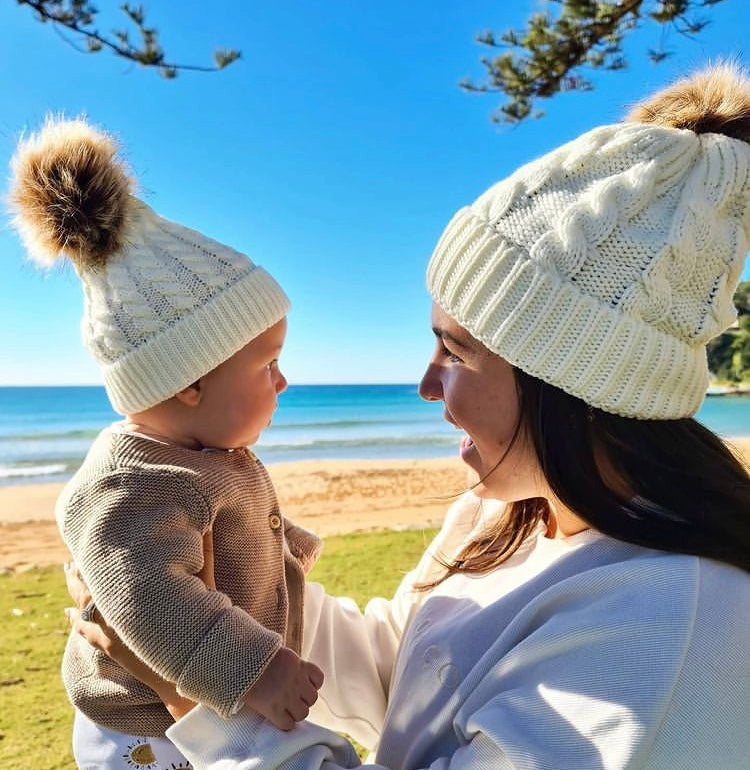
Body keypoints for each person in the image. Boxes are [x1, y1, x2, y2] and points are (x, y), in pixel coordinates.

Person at [69, 63, 750, 769]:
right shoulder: (506, 516)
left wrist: (201, 697)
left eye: (454, 351)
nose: (425, 385)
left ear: (571, 380)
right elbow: (403, 672)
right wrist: (218, 599)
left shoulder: (664, 628)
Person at [9, 118, 324, 769]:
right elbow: (153, 597)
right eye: (267, 363)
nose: (284, 380)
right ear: (191, 381)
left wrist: (283, 544)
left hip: (189, 718)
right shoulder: (132, 484)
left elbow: (231, 520)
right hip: (144, 736)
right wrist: (260, 673)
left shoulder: (207, 456)